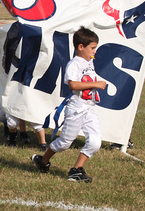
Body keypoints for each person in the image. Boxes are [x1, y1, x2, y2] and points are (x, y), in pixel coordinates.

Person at [31, 26, 107, 182]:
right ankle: (43, 160)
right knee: (65, 142)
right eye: (92, 48)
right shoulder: (74, 64)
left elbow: (89, 78)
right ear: (81, 47)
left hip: (88, 107)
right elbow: (73, 85)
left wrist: (99, 82)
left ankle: (76, 170)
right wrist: (96, 84)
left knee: (95, 141)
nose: (95, 51)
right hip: (76, 108)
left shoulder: (88, 62)